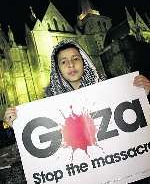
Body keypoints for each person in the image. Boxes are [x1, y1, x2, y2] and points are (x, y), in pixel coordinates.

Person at [1, 39, 150, 184]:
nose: (71, 64)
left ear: (84, 61)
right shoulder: (48, 105)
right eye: (64, 61)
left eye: (75, 59)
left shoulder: (111, 89)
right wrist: (18, 124)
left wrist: (143, 94)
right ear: (57, 68)